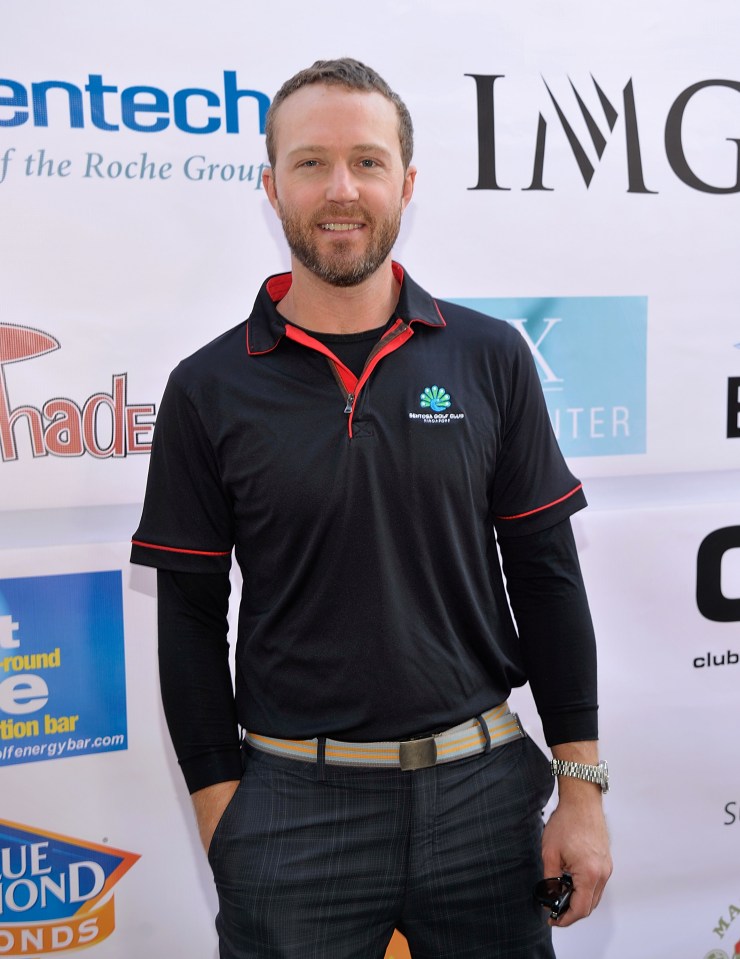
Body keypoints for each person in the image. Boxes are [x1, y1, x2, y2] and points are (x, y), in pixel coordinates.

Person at [131, 58, 612, 959]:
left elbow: (546, 577)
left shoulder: (490, 355)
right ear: (271, 187)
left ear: (408, 182)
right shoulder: (206, 386)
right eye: (311, 163)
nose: (340, 189)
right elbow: (190, 619)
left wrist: (580, 788)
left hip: (484, 800)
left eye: (367, 161)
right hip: (291, 807)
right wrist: (223, 815)